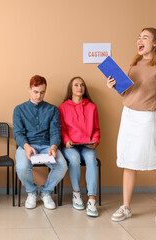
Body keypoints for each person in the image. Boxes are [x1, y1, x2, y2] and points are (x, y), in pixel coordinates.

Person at [107, 28, 156, 222]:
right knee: (128, 160)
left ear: (155, 43)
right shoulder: (135, 63)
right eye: (138, 37)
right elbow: (128, 94)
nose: (139, 40)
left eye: (145, 37)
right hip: (128, 115)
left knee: (155, 159)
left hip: (147, 117)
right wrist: (115, 87)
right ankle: (126, 207)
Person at [13, 75, 68, 210]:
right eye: (36, 92)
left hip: (47, 146)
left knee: (62, 165)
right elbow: (18, 133)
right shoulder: (19, 109)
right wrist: (26, 147)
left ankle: (45, 192)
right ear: (29, 89)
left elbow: (55, 131)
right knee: (22, 167)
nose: (39, 96)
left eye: (42, 92)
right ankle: (31, 193)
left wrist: (54, 147)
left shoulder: (53, 109)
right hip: (26, 145)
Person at [59, 76, 100, 217]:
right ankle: (76, 194)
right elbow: (62, 129)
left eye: (82, 85)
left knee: (91, 160)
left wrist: (95, 142)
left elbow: (96, 130)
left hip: (87, 146)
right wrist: (66, 141)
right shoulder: (62, 108)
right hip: (70, 145)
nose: (79, 87)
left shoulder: (92, 107)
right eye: (76, 85)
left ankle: (92, 200)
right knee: (74, 159)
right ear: (70, 88)